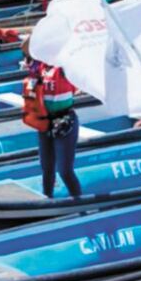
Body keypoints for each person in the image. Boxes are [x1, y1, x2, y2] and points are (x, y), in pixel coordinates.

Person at [21, 37, 81, 198]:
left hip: (65, 122)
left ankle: (79, 201)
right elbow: (25, 47)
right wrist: (39, 33)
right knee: (47, 169)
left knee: (65, 170)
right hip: (45, 122)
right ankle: (48, 198)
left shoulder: (63, 67)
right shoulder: (38, 66)